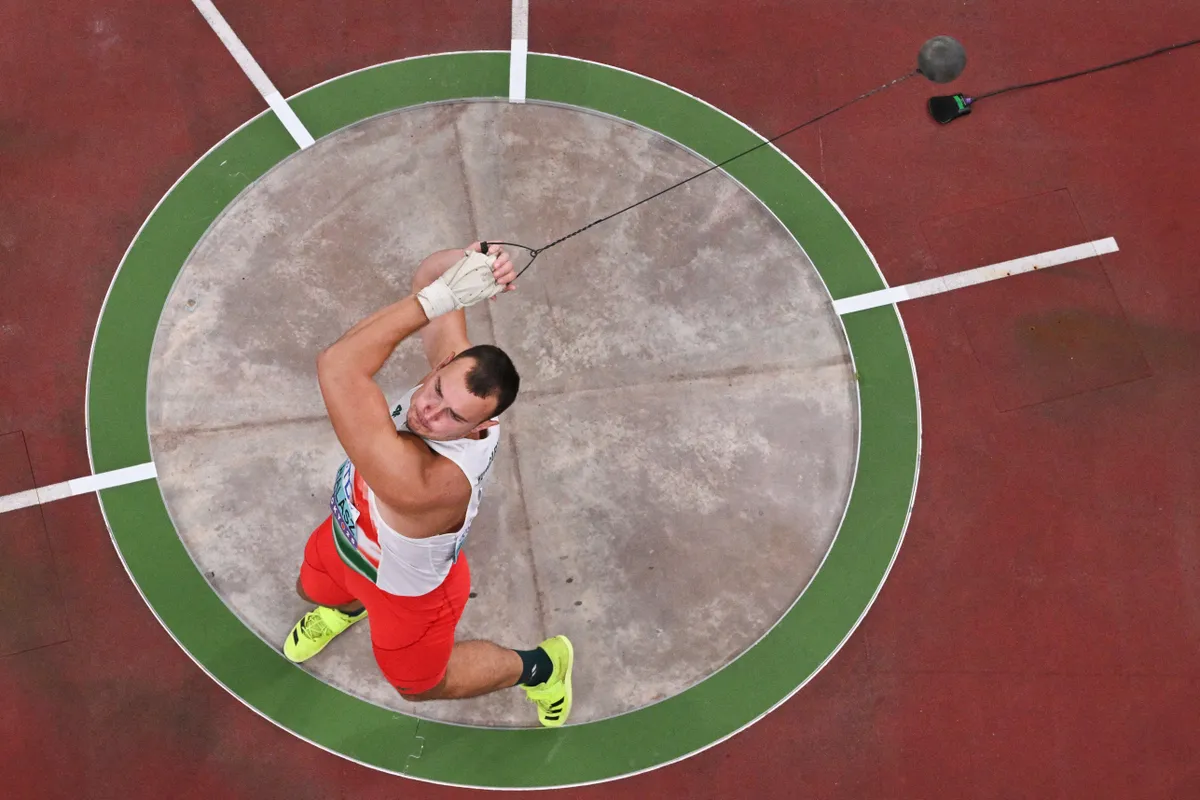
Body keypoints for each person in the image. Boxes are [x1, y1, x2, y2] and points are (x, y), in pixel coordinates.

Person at [282, 242, 573, 728]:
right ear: (441, 368)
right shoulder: (456, 383)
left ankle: (543, 668)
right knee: (313, 590)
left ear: (478, 429)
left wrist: (437, 299)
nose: (429, 412)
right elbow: (432, 278)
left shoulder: (428, 486)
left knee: (418, 687)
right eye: (436, 390)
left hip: (407, 594)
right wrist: (478, 258)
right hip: (348, 532)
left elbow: (339, 365)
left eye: (452, 417)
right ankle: (346, 609)